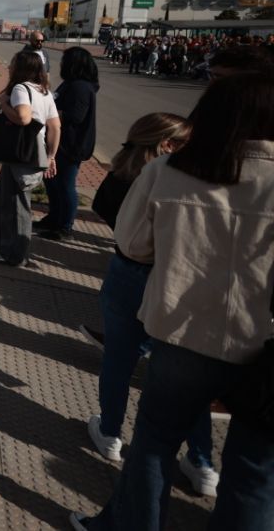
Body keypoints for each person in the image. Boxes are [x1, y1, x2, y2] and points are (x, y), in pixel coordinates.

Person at [71, 75, 274, 531]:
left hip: (184, 335)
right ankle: (203, 467)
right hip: (263, 349)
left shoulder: (170, 170)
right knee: (255, 475)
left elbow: (133, 244)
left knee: (155, 445)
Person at [75, 114, 221, 495]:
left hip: (130, 272)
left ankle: (109, 432)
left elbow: (120, 229)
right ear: (167, 144)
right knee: (188, 376)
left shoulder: (128, 171)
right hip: (179, 280)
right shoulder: (186, 175)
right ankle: (202, 461)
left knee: (119, 361)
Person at [0, 51, 60, 266]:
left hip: (20, 152)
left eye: (12, 63)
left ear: (20, 68)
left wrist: (4, 104)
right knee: (4, 197)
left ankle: (13, 253)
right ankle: (2, 240)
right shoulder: (44, 91)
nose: (9, 67)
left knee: (16, 204)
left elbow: (23, 117)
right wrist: (51, 155)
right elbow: (55, 126)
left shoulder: (21, 88)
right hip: (32, 151)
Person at [38, 48, 100, 240]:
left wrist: (49, 113)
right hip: (61, 142)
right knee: (52, 182)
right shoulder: (71, 84)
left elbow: (75, 116)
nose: (61, 64)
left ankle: (66, 226)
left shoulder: (80, 87)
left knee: (65, 185)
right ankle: (54, 217)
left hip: (71, 146)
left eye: (65, 60)